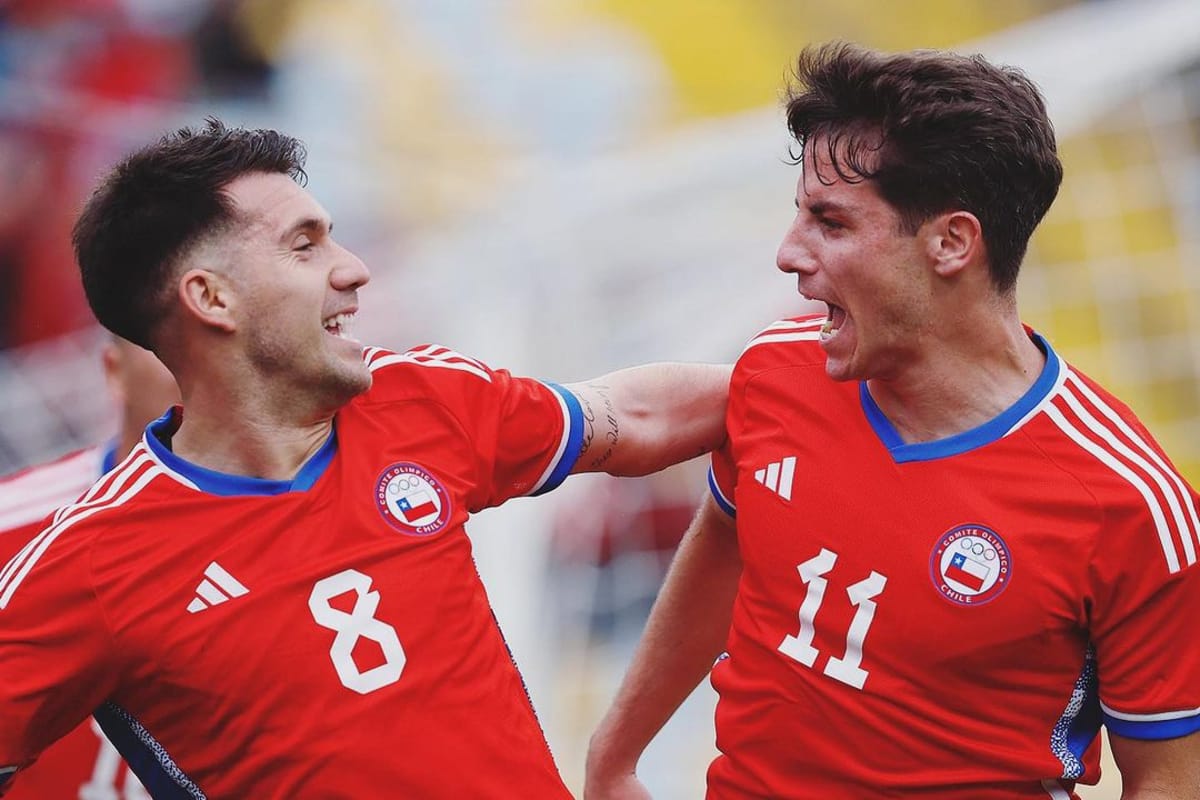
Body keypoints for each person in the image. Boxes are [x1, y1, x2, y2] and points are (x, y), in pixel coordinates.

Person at [0, 119, 730, 799]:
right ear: (211, 297)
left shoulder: (418, 398)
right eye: (305, 245)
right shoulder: (89, 563)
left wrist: (795, 388)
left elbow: (633, 414)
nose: (352, 269)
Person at [585, 42, 1200, 800]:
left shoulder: (1132, 506)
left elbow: (1168, 781)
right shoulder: (778, 374)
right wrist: (614, 755)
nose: (787, 253)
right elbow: (725, 541)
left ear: (951, 243)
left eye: (830, 223)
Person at [0, 336, 178, 800]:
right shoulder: (12, 530)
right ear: (113, 371)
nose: (207, 368)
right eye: (168, 346)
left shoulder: (333, 511)